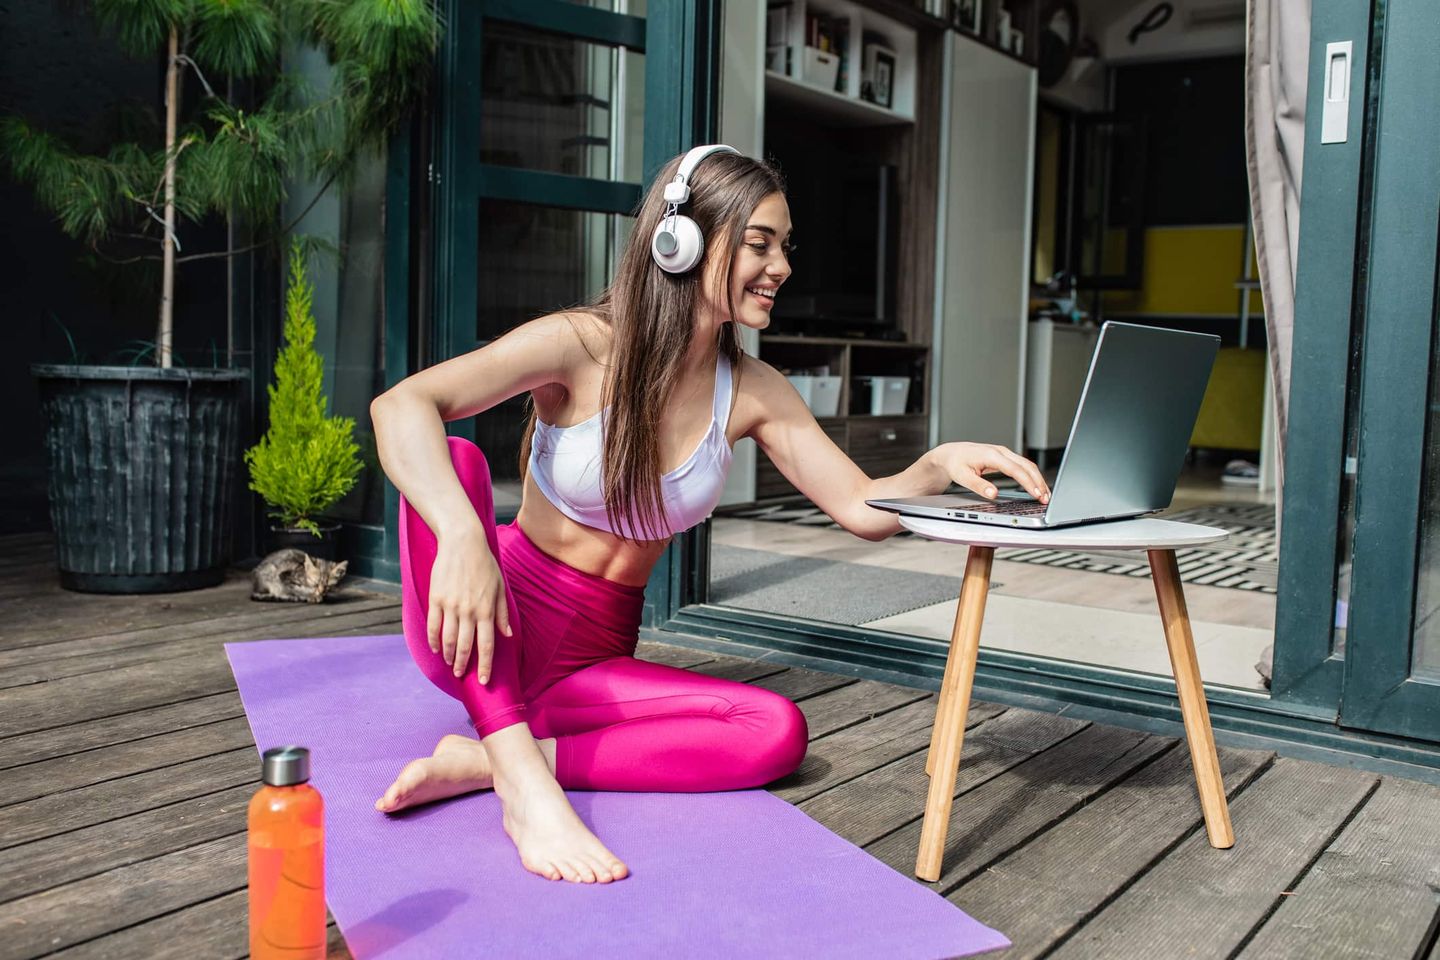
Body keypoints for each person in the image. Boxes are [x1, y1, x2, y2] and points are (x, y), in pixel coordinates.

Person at [368, 145, 1051, 886]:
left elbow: (862, 508)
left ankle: (491, 759)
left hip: (589, 667)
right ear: (680, 240)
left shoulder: (752, 389)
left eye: (785, 246)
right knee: (457, 467)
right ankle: (525, 786)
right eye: (760, 243)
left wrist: (932, 465)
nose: (782, 265)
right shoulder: (578, 343)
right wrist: (468, 536)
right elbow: (401, 403)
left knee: (775, 731)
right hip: (482, 625)